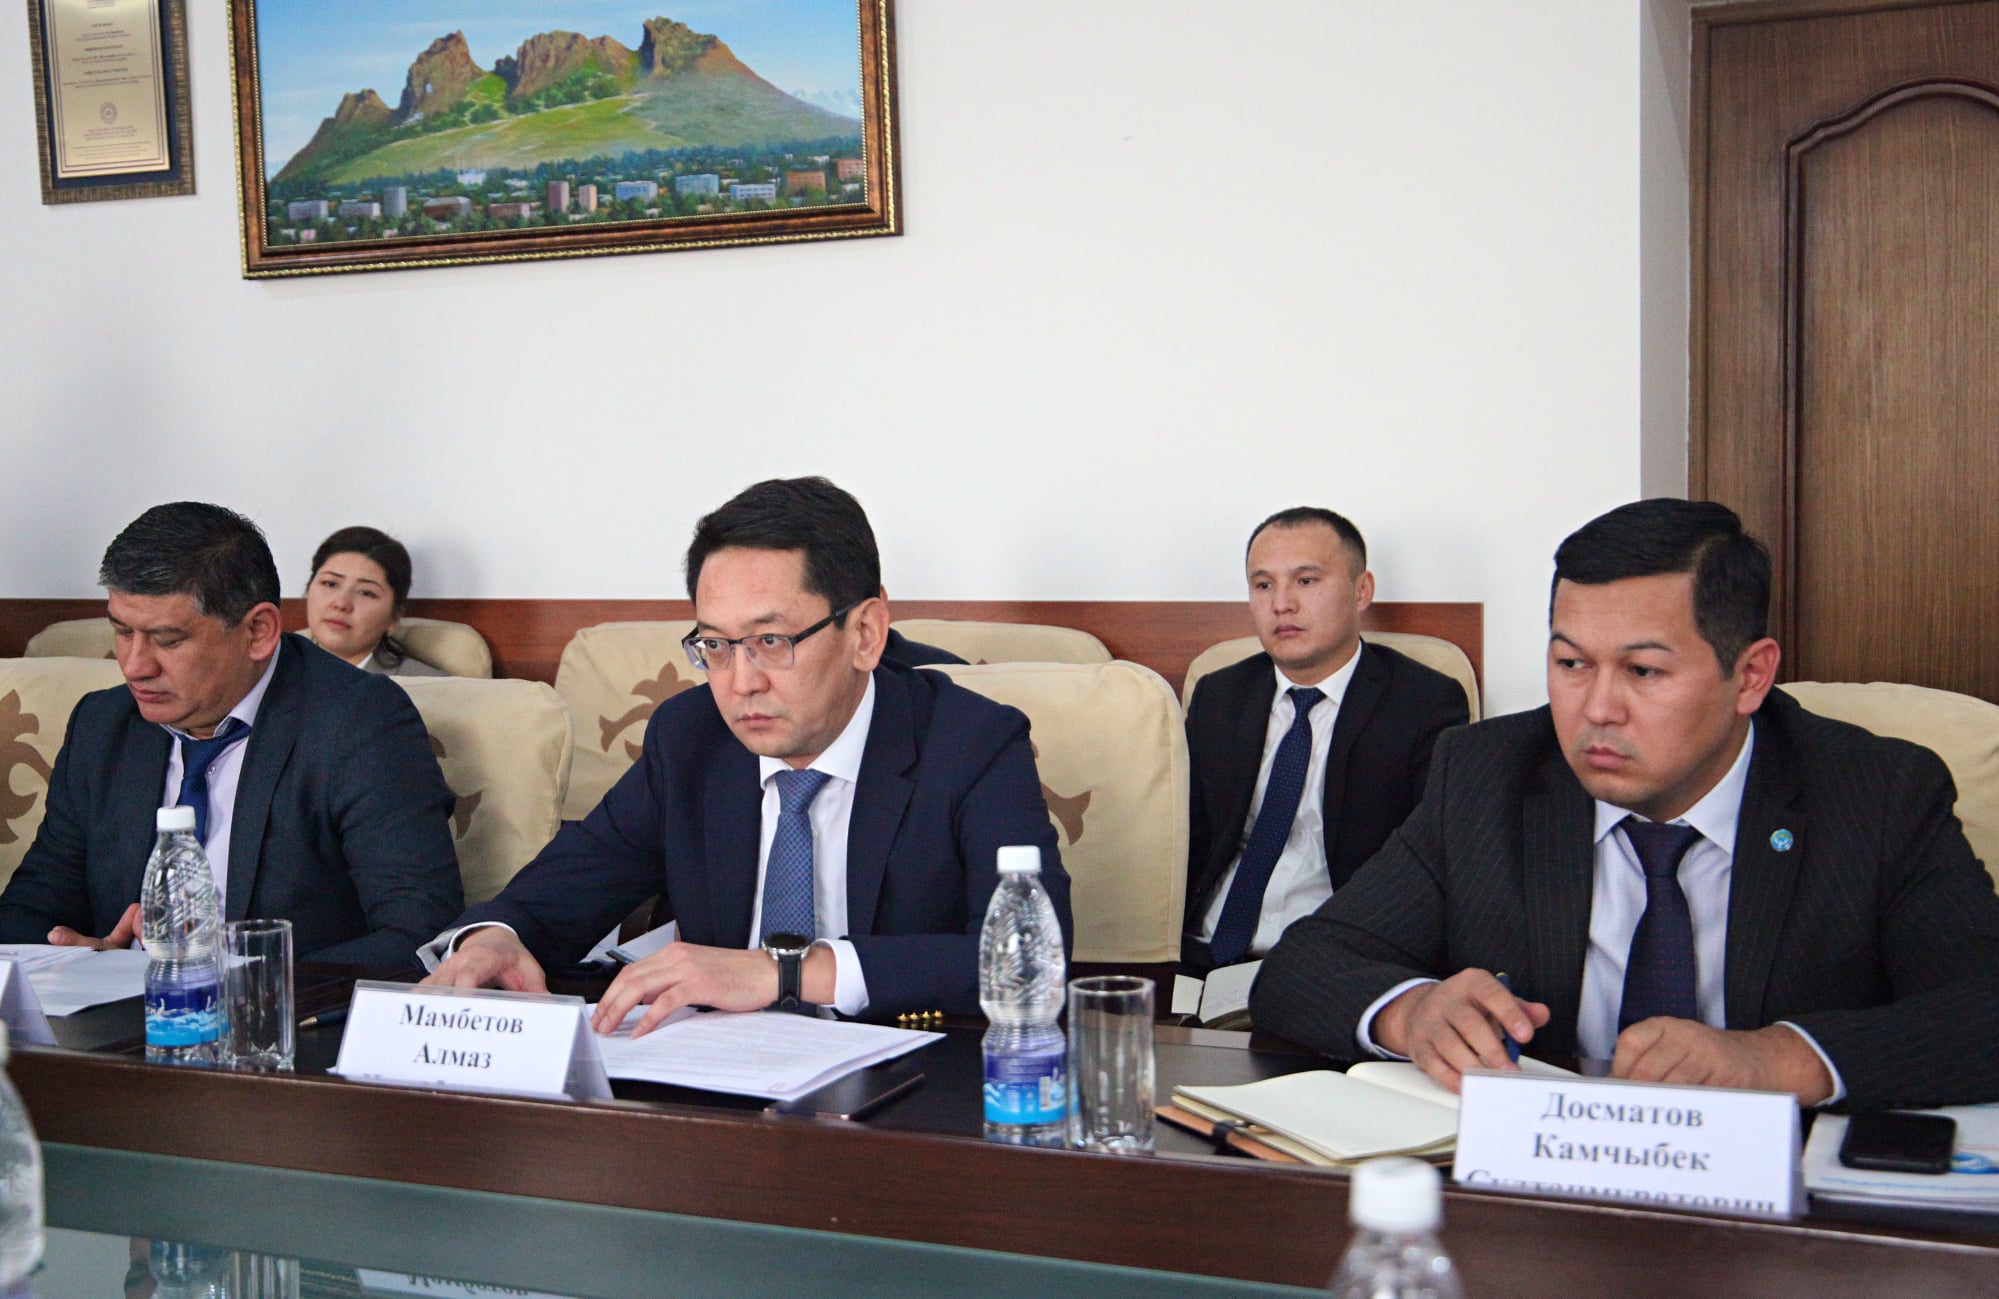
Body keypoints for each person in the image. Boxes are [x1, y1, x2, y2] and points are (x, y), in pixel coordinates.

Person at [1251, 499, 1999, 1110]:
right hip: (1540, 1191)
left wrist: (1777, 1059)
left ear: (1749, 676)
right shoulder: (1485, 775)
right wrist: (1411, 1012)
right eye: (1571, 662)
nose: (1597, 709)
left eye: (1643, 671)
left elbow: (1984, 1010)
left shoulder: (1878, 794)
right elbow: (1303, 966)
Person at [421, 477, 1070, 1029]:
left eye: (770, 641)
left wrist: (782, 972)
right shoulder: (689, 737)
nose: (740, 682)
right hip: (723, 1090)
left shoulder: (971, 743)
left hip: (912, 1092)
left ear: (865, 633)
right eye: (715, 645)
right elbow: (561, 891)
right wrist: (492, 939)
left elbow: (1031, 959)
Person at [0, 503, 464, 967]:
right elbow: (32, 909)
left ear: (258, 632)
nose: (135, 666)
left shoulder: (361, 722)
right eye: (122, 632)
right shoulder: (103, 725)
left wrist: (239, 982)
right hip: (114, 1008)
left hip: (287, 1007)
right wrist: (83, 959)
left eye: (168, 640)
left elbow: (418, 933)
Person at [1182, 508, 1467, 975]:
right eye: (1263, 585)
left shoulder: (1423, 703)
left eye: (1306, 581)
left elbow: (1428, 869)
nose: (1282, 604)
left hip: (1334, 963)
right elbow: (1188, 842)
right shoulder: (1220, 695)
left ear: (1362, 591)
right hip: (1203, 952)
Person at [305, 526, 446, 677]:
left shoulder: (429, 684)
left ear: (394, 617)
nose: (341, 604)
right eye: (330, 584)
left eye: (366, 593)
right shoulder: (286, 663)